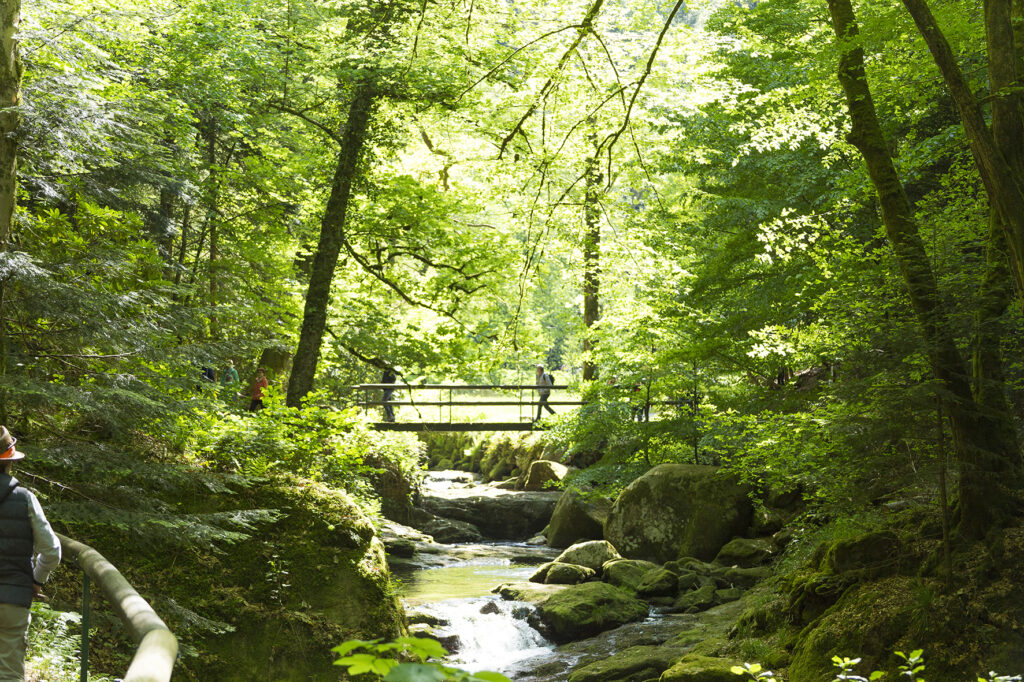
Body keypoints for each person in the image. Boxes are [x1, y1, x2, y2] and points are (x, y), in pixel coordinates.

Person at [0, 427, 61, 682]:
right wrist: (36, 579)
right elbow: (52, 550)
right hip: (13, 597)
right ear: (9, 462)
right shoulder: (26, 499)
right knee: (10, 674)